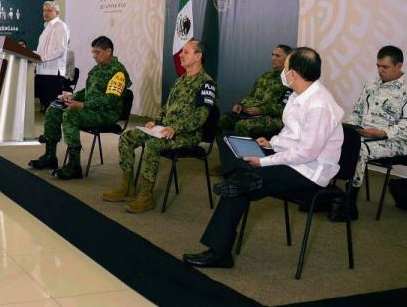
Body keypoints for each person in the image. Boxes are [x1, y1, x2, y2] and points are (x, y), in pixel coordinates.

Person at [183, 47, 344, 268]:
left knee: (239, 186)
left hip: (308, 171)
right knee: (229, 139)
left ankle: (219, 253)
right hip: (289, 158)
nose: (283, 73)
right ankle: (243, 177)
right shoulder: (299, 95)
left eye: (286, 68)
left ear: (294, 74)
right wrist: (270, 143)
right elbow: (290, 134)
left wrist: (264, 161)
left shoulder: (319, 105)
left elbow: (306, 153)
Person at [104, 39, 217, 213]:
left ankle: (146, 196)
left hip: (186, 134)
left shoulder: (206, 83)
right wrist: (155, 122)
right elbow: (167, 107)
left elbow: (201, 116)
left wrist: (176, 128)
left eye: (186, 52)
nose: (180, 55)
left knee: (152, 144)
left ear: (198, 56)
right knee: (127, 137)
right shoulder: (181, 80)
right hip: (164, 129)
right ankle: (127, 187)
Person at [329, 45, 407, 222]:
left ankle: (349, 204)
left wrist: (383, 132)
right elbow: (357, 112)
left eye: (385, 67)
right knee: (334, 141)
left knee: (359, 150)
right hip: (365, 135)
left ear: (399, 66)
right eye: (378, 66)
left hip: (393, 142)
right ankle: (326, 193)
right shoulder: (371, 85)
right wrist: (350, 129)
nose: (380, 70)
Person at [29, 36, 130, 180]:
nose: (94, 56)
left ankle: (74, 166)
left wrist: (83, 105)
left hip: (106, 114)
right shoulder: (97, 69)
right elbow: (89, 91)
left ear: (109, 51)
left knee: (71, 114)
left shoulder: (118, 72)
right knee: (54, 108)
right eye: (93, 52)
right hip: (92, 110)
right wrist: (73, 96)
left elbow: (111, 100)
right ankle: (50, 156)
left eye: (98, 52)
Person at [211, 45, 293, 175]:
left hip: (273, 118)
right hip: (251, 114)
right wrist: (241, 105)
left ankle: (246, 167)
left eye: (277, 56)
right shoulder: (265, 77)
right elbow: (251, 95)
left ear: (288, 59)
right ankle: (228, 163)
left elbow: (286, 108)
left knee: (242, 126)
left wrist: (262, 110)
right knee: (222, 121)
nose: (273, 58)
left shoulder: (290, 81)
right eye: (272, 54)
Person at [34, 1, 69, 113]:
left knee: (54, 106)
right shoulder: (47, 27)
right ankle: (49, 129)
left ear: (57, 12)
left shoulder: (60, 26)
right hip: (42, 70)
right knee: (46, 104)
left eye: (49, 10)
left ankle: (57, 129)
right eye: (44, 10)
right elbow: (42, 50)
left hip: (53, 71)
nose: (45, 13)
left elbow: (60, 49)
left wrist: (42, 57)